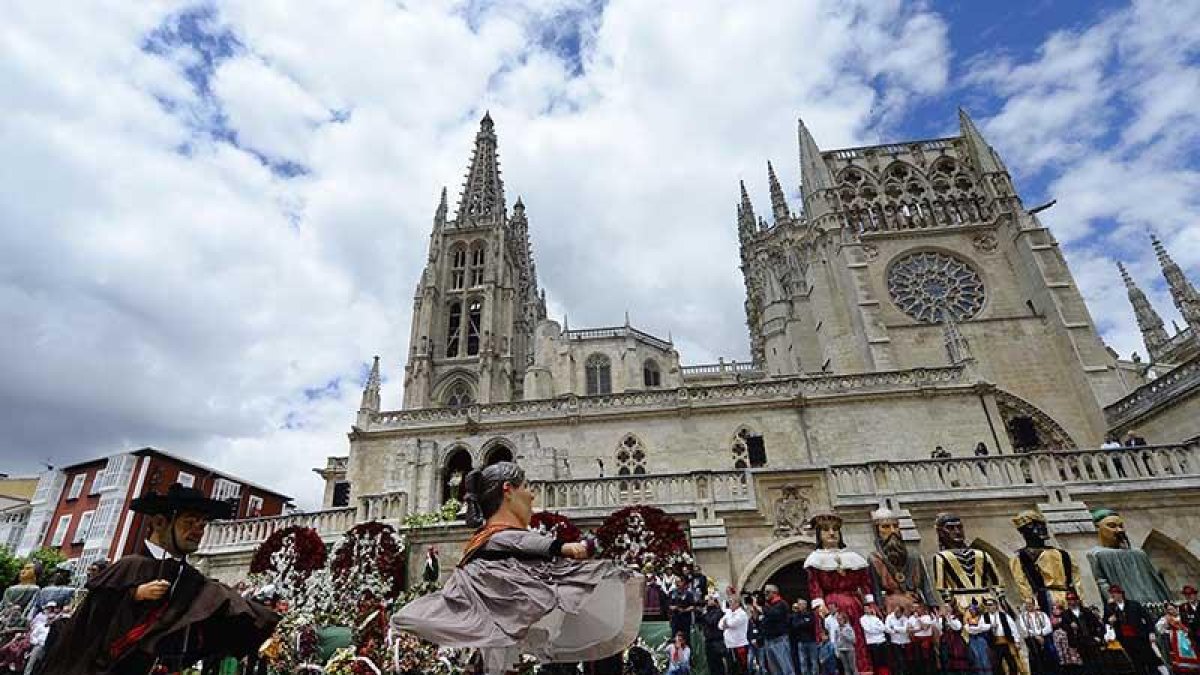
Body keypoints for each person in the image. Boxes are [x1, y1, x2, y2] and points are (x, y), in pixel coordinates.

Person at [392, 462, 643, 674]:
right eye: (526, 487)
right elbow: (523, 541)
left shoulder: (492, 545)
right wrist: (569, 548)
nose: (532, 495)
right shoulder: (496, 536)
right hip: (495, 605)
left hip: (503, 608)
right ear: (508, 490)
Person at [33, 483, 279, 675]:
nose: (198, 530)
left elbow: (216, 604)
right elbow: (90, 625)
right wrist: (133, 596)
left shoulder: (191, 578)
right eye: (190, 522)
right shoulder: (127, 567)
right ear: (160, 522)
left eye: (202, 525)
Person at [805, 512, 874, 674]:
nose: (831, 533)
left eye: (835, 529)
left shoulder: (853, 557)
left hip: (855, 606)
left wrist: (869, 603)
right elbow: (815, 587)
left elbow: (865, 584)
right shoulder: (815, 559)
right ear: (819, 535)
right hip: (832, 607)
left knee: (860, 642)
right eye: (826, 530)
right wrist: (820, 606)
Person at [1086, 508, 1171, 604]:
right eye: (1112, 526)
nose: (1119, 530)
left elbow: (1155, 581)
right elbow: (1101, 580)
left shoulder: (1139, 553)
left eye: (1121, 526)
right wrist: (1111, 599)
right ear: (1098, 528)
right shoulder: (1097, 554)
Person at [1010, 510, 1082, 615]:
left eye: (1041, 524)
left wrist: (1080, 601)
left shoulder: (1063, 554)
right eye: (1032, 525)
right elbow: (1023, 584)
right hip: (1045, 600)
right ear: (1023, 531)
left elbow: (1076, 580)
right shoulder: (1020, 557)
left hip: (1069, 598)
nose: (1039, 528)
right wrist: (1032, 605)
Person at [867, 508, 932, 619]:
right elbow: (876, 589)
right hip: (892, 607)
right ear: (877, 531)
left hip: (916, 605)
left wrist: (934, 605)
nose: (892, 531)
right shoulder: (875, 560)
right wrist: (880, 609)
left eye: (895, 526)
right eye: (886, 527)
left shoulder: (914, 556)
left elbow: (925, 585)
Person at [932, 513, 1005, 612]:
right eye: (950, 528)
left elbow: (997, 582)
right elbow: (942, 587)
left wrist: (1001, 599)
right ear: (941, 532)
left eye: (959, 527)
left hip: (988, 602)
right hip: (961, 604)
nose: (957, 532)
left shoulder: (982, 554)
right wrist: (949, 604)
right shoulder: (941, 557)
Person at [1103, 585, 1160, 675]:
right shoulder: (1110, 608)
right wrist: (1109, 620)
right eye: (1112, 594)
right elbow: (1105, 620)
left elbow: (1147, 618)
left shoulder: (1134, 604)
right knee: (1137, 663)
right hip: (1125, 639)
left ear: (1121, 594)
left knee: (1149, 659)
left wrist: (1151, 632)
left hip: (1140, 636)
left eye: (1115, 593)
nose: (1113, 596)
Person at [1058, 591, 1103, 673]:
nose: (1071, 602)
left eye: (1073, 599)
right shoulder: (1066, 614)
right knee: (1086, 663)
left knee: (1097, 661)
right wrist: (1070, 626)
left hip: (1091, 639)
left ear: (1077, 600)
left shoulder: (1086, 611)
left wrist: (1098, 637)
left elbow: (1098, 624)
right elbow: (1063, 627)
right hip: (1078, 641)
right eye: (1069, 600)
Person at [759, 584, 795, 675]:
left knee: (786, 667)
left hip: (779, 640)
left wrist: (761, 607)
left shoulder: (781, 604)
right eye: (765, 592)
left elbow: (774, 615)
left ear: (774, 593)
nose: (765, 594)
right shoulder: (768, 606)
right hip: (768, 640)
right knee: (774, 669)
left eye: (767, 592)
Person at [982, 597, 1022, 675]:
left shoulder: (1004, 615)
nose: (989, 607)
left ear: (996, 605)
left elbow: (1013, 627)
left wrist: (1017, 641)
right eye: (987, 605)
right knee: (997, 665)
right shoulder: (984, 617)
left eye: (991, 605)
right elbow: (981, 627)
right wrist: (990, 626)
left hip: (1007, 642)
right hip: (994, 644)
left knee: (1012, 663)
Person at [1156, 603, 1200, 674]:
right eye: (1169, 609)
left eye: (1172, 608)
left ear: (1176, 608)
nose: (1171, 611)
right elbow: (1158, 628)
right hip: (1176, 638)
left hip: (1187, 635)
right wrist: (1168, 631)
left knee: (1192, 650)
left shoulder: (1182, 615)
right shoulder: (1167, 618)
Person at [1017, 598, 1053, 675]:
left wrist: (1041, 634)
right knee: (1036, 660)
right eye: (1026, 604)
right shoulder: (1022, 616)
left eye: (1030, 603)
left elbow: (1049, 627)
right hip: (1032, 641)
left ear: (1033, 604)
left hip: (1044, 638)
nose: (1028, 605)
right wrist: (1036, 635)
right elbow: (1024, 629)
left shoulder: (1042, 614)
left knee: (1048, 658)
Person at [720, 594, 750, 675]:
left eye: (731, 602)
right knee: (731, 668)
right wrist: (725, 623)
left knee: (741, 668)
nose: (729, 604)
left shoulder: (741, 614)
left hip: (739, 645)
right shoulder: (729, 612)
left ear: (737, 603)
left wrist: (726, 623)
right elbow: (720, 625)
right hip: (730, 645)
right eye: (729, 602)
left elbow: (731, 623)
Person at [790, 598, 821, 675]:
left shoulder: (810, 614)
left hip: (811, 641)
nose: (799, 606)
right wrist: (804, 623)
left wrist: (802, 624)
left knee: (813, 661)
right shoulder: (796, 615)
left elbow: (810, 625)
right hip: (801, 641)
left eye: (800, 604)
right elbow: (795, 625)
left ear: (805, 605)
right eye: (798, 604)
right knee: (803, 662)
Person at [905, 602, 937, 675]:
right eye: (913, 608)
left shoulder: (927, 617)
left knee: (928, 659)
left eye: (917, 608)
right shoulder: (911, 618)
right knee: (918, 659)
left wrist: (918, 619)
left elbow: (925, 628)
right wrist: (918, 629)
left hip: (926, 640)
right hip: (916, 640)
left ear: (921, 608)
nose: (915, 610)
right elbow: (908, 629)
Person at [939, 605, 973, 675]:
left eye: (948, 607)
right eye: (945, 608)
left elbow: (957, 627)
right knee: (946, 659)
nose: (947, 609)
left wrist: (948, 618)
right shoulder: (943, 618)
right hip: (946, 641)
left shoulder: (957, 617)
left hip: (956, 642)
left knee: (959, 659)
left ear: (952, 608)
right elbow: (942, 629)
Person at [701, 595, 728, 675]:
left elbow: (711, 621)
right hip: (708, 641)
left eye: (709, 600)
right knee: (711, 665)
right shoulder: (706, 612)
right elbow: (700, 620)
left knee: (718, 665)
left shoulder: (719, 612)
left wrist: (705, 613)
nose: (707, 602)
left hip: (717, 641)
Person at [859, 603, 888, 675]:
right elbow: (868, 630)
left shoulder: (876, 617)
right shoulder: (862, 619)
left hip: (882, 641)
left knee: (884, 661)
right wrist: (877, 629)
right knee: (876, 662)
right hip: (872, 643)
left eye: (868, 608)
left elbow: (883, 628)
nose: (866, 610)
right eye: (865, 609)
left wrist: (875, 628)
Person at [669, 576, 700, 642]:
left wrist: (684, 610)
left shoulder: (689, 594)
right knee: (674, 637)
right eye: (676, 582)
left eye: (679, 582)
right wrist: (673, 607)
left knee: (686, 637)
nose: (677, 583)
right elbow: (669, 605)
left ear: (683, 582)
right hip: (675, 618)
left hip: (685, 619)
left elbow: (692, 606)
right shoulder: (672, 593)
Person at [965, 605, 993, 675]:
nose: (971, 612)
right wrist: (978, 628)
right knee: (976, 659)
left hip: (980, 639)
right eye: (970, 611)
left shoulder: (981, 617)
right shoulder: (968, 620)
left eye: (973, 610)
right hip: (973, 640)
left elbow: (984, 627)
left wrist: (977, 628)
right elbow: (968, 629)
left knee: (985, 659)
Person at [885, 605, 910, 675]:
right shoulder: (889, 617)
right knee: (898, 658)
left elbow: (905, 629)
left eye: (898, 612)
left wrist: (894, 628)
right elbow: (886, 628)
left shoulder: (904, 618)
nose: (896, 613)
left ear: (901, 613)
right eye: (895, 611)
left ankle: (905, 672)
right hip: (895, 641)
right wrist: (894, 631)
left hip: (904, 641)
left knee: (905, 659)